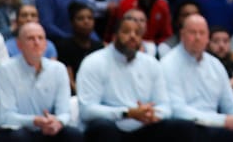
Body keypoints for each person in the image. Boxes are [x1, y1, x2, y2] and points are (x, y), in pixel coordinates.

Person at [75, 14, 182, 142]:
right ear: (114, 36)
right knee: (102, 127)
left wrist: (153, 114)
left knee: (181, 127)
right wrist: (127, 113)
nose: (132, 36)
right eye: (126, 32)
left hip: (144, 126)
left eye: (137, 33)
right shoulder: (94, 62)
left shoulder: (151, 63)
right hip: (112, 126)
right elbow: (87, 110)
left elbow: (165, 106)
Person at [161, 15, 233, 141]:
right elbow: (177, 110)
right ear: (182, 35)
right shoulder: (168, 64)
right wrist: (221, 121)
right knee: (190, 129)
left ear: (207, 37)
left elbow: (231, 106)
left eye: (202, 33)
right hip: (187, 126)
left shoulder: (215, 65)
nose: (197, 37)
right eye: (192, 32)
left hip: (215, 125)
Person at [0, 22, 81, 142]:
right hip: (15, 130)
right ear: (19, 45)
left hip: (47, 129)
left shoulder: (58, 69)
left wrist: (58, 122)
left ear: (46, 44)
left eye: (40, 38)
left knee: (73, 135)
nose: (37, 42)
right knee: (20, 137)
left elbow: (64, 112)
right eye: (31, 38)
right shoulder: (6, 69)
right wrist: (35, 121)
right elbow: (6, 117)